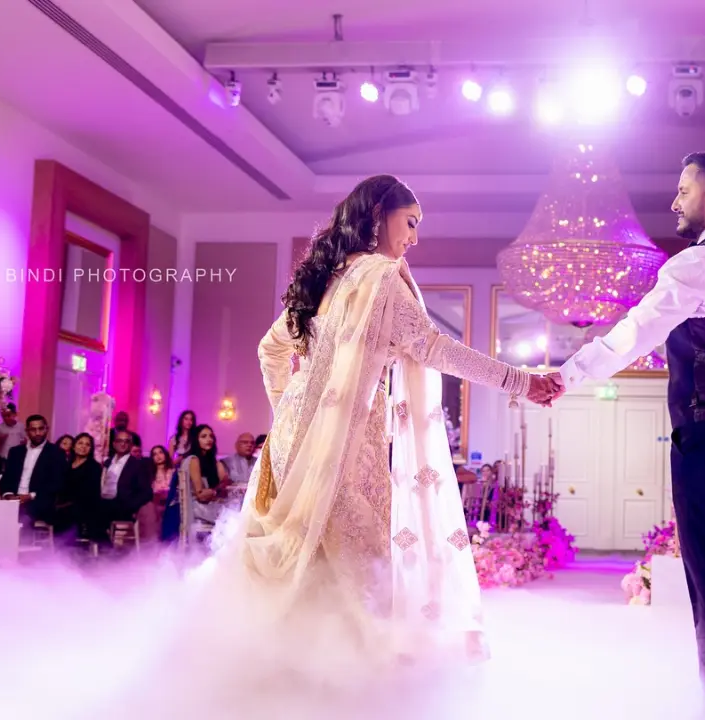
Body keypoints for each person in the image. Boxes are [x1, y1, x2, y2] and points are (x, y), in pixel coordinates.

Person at [199, 175, 560, 691]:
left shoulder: (322, 278)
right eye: (410, 222)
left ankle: (278, 672)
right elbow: (435, 349)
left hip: (292, 440)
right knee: (355, 556)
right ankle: (343, 684)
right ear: (377, 217)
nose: (414, 237)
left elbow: (269, 351)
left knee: (300, 551)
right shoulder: (380, 278)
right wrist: (520, 381)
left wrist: (290, 411)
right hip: (346, 442)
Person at [554, 153, 705, 692]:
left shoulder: (696, 265)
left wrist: (567, 377)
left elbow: (635, 334)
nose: (674, 201)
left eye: (684, 190)